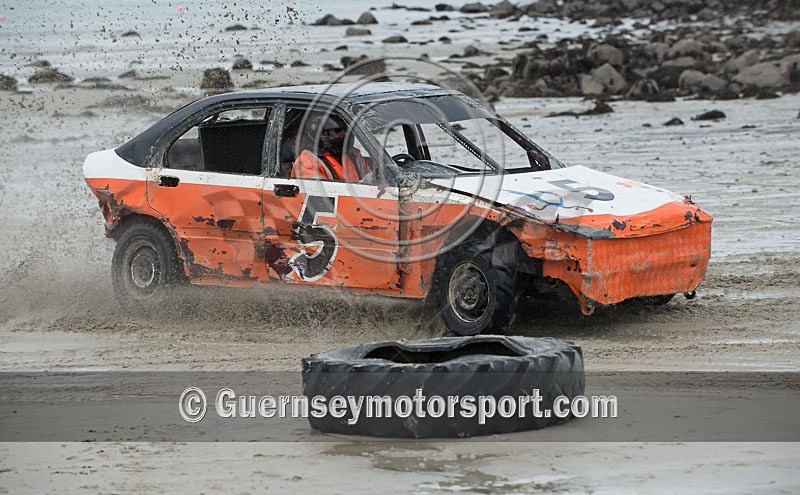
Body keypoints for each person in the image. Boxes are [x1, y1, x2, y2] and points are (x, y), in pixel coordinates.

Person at [290, 115, 370, 182]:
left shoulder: (354, 154)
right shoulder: (307, 161)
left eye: (346, 130)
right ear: (321, 132)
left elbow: (370, 179)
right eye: (338, 130)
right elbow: (317, 192)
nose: (344, 134)